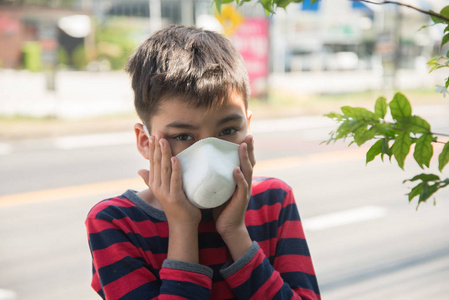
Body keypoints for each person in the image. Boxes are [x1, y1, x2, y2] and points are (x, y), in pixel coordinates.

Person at [85, 24, 320, 300]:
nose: (208, 153)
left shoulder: (273, 201)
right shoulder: (116, 223)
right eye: (184, 136)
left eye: (228, 131)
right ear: (145, 142)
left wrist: (235, 232)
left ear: (248, 126)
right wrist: (183, 226)